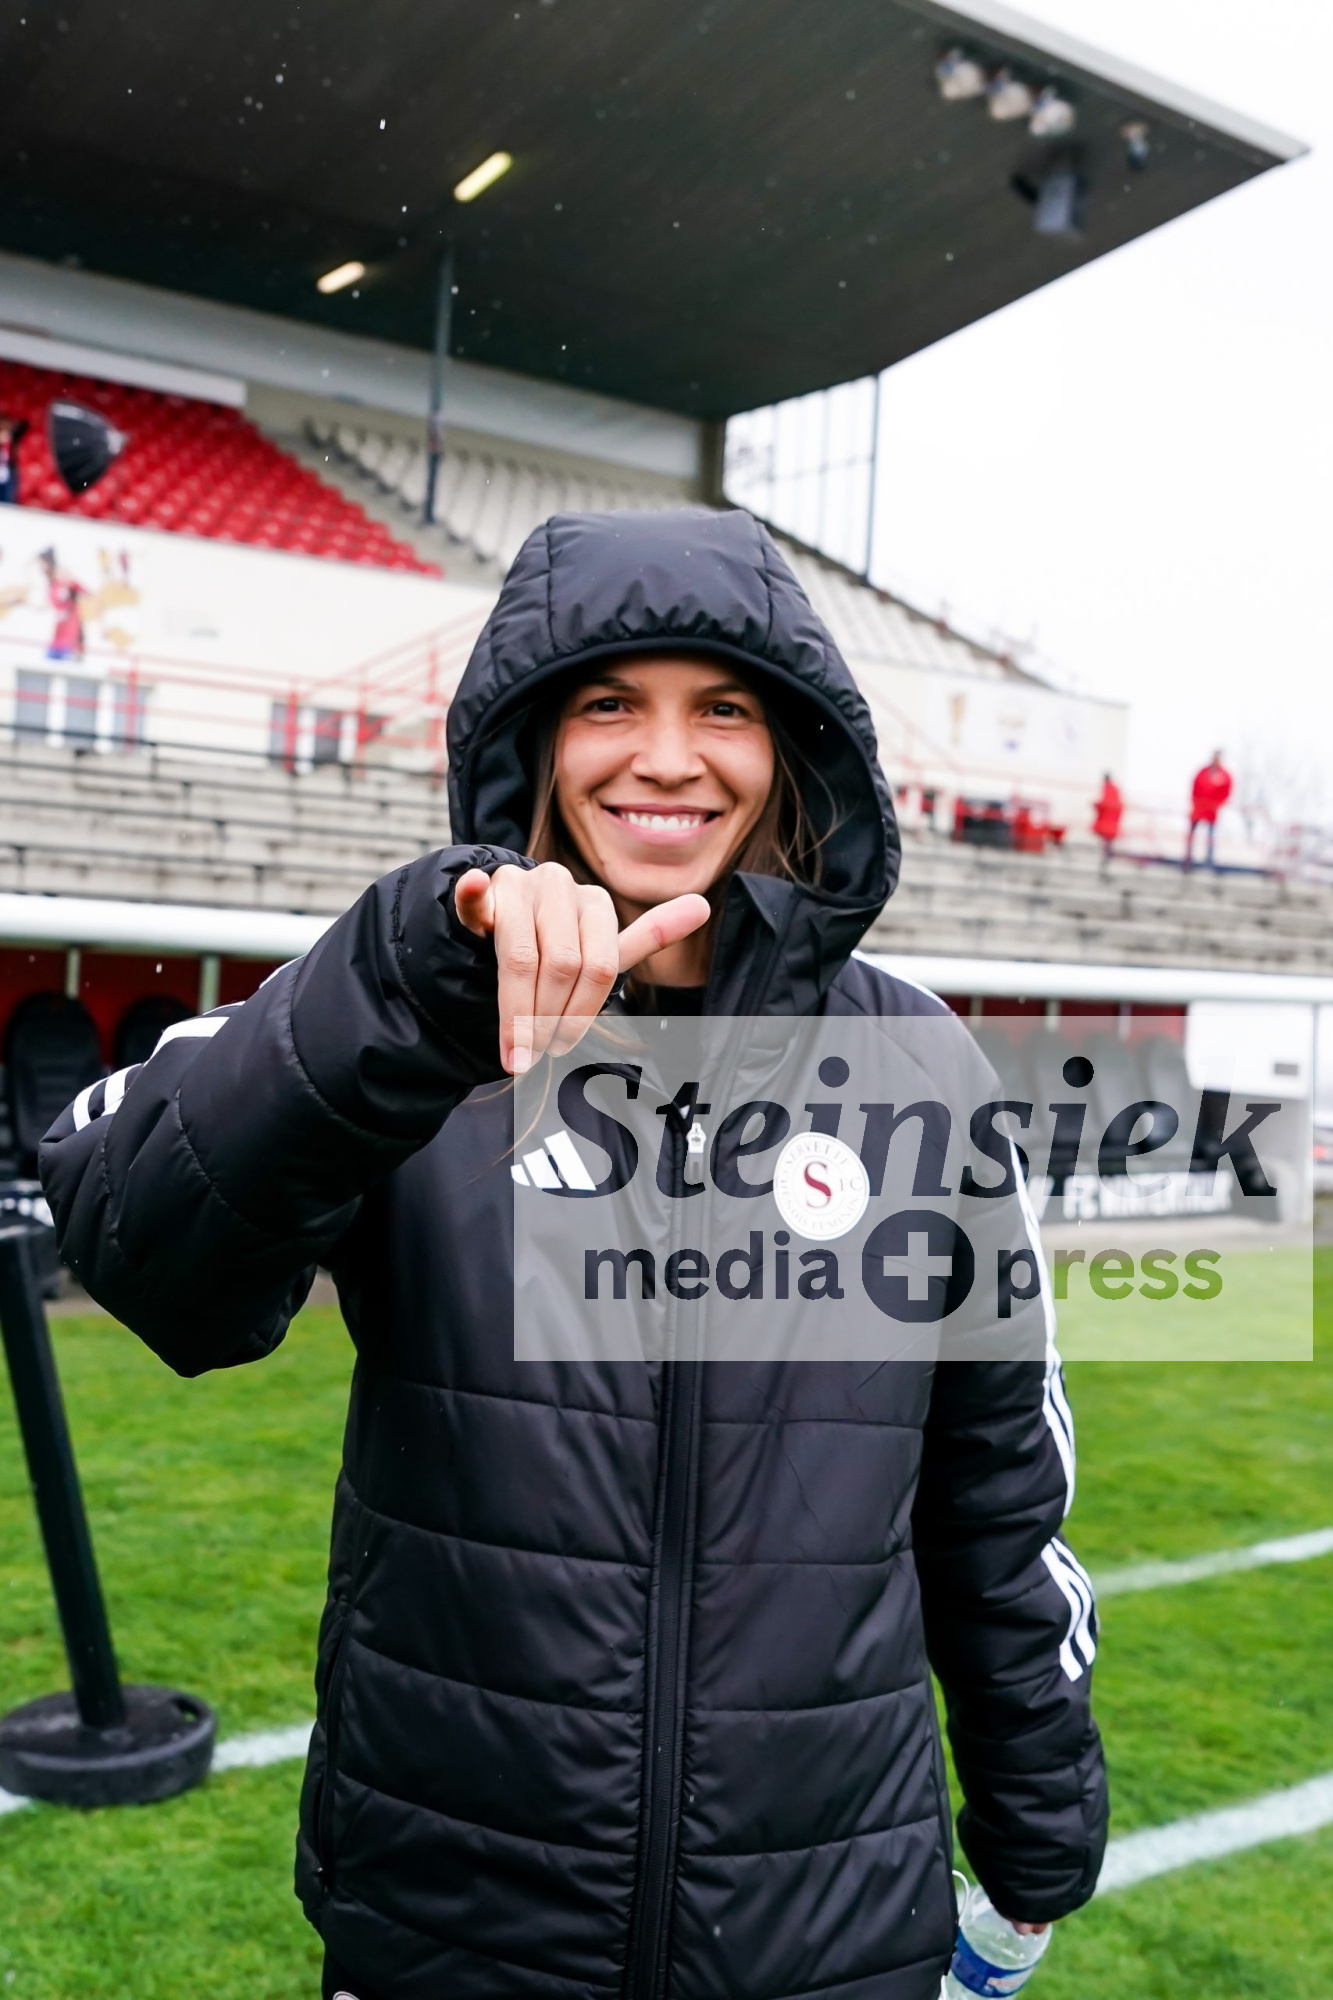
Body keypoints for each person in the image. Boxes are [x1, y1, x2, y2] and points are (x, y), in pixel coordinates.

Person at [41, 511, 1106, 2000]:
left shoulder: (919, 1064)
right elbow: (141, 1248)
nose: (666, 758)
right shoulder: (412, 1007)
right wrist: (409, 994)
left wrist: (1038, 1830)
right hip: (448, 1918)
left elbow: (997, 1496)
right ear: (537, 739)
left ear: (792, 749)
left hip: (824, 1925)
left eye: (721, 708)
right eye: (610, 702)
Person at [1186, 751, 1231, 869]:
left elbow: (1227, 791)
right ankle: (1188, 856)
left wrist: (1218, 804)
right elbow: (1195, 786)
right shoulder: (1203, 772)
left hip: (1212, 811)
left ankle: (1209, 858)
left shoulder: (1224, 775)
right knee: (1192, 832)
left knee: (1210, 835)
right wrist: (1195, 802)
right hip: (1198, 808)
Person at [1091, 772, 1123, 862]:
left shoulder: (1108, 788)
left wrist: (1096, 805)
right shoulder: (1114, 788)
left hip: (1108, 817)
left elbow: (1106, 802)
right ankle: (1107, 855)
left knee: (1106, 838)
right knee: (1108, 839)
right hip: (1112, 817)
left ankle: (1106, 856)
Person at [0, 416, 28, 505]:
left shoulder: (12, 441)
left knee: (8, 497)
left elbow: (24, 426)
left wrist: (12, 427)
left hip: (8, 472)